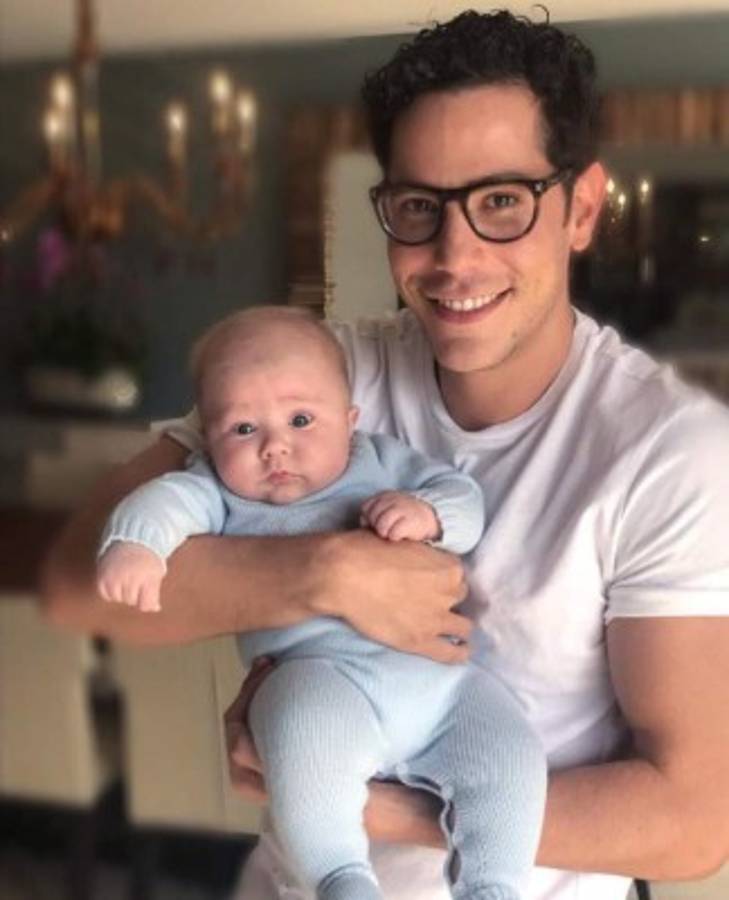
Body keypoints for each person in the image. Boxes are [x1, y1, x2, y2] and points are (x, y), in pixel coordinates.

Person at [41, 9, 729, 900]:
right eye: (418, 207)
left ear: (583, 208)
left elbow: (693, 822)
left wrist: (369, 805)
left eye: (501, 201)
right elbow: (75, 582)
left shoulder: (670, 450)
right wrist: (324, 573)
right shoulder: (319, 373)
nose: (453, 255)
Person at [95, 305, 547, 900]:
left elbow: (462, 497)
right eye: (243, 429)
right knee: (301, 740)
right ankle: (341, 879)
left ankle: (493, 883)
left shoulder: (380, 460)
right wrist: (135, 545)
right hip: (318, 677)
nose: (275, 447)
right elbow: (163, 502)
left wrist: (430, 513)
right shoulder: (216, 490)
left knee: (508, 750)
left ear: (349, 420)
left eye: (301, 420)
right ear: (209, 438)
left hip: (441, 688)